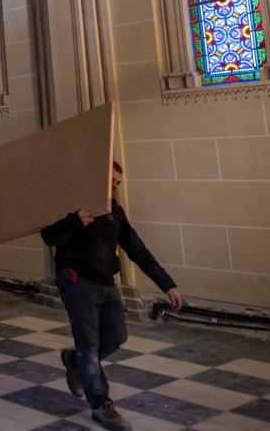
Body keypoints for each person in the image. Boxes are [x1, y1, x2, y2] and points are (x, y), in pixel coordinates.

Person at [40, 161, 183, 431]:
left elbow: (137, 250)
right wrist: (74, 221)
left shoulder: (115, 211)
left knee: (116, 336)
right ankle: (101, 405)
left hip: (106, 282)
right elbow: (48, 236)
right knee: (89, 346)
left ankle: (73, 361)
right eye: (111, 181)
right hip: (77, 282)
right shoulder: (73, 204)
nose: (115, 186)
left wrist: (168, 285)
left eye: (118, 183)